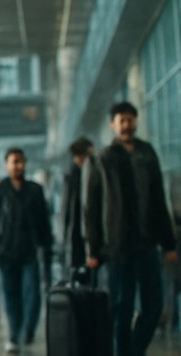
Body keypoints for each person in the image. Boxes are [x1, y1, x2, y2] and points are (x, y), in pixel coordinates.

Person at [83, 102, 178, 356]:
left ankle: (134, 351)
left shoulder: (147, 152)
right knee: (121, 308)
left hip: (147, 243)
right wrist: (93, 248)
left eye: (130, 120)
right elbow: (91, 207)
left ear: (135, 122)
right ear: (112, 124)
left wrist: (169, 243)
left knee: (154, 306)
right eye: (121, 120)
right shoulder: (102, 157)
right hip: (116, 246)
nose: (126, 125)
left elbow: (158, 199)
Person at [0, 148, 52, 354]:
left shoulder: (35, 190)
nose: (17, 165)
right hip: (5, 252)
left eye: (20, 162)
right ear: (6, 165)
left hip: (30, 251)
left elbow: (44, 222)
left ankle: (27, 330)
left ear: (25, 164)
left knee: (31, 294)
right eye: (13, 162)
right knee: (10, 296)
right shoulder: (0, 190)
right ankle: (13, 335)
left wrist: (47, 248)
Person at [61, 136, 93, 271]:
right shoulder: (72, 177)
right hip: (79, 233)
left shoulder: (95, 172)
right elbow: (67, 209)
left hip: (91, 232)